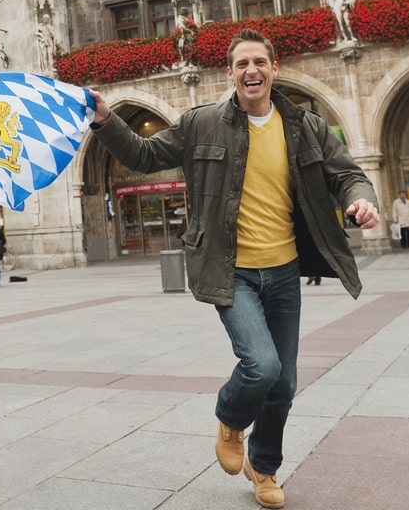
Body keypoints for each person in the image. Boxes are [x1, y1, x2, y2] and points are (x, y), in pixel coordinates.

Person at [88, 28, 379, 510]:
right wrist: (106, 120)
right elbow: (143, 155)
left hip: (284, 269)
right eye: (242, 63)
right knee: (261, 366)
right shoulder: (202, 123)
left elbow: (347, 174)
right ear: (230, 73)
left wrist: (360, 200)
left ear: (274, 68)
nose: (252, 71)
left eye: (260, 62)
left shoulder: (304, 126)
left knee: (283, 382)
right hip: (232, 270)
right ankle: (229, 417)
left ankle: (264, 469)